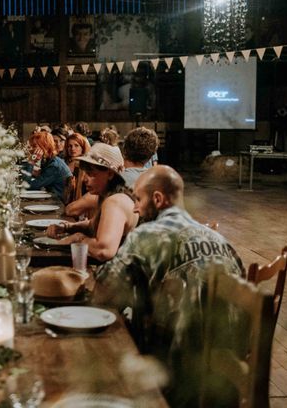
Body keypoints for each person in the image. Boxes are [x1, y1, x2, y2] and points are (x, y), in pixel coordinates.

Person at [92, 165, 244, 407]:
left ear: (158, 199)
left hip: (168, 371)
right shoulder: (220, 240)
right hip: (224, 374)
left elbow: (104, 291)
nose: (135, 208)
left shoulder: (145, 235)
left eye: (139, 199)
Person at [45, 143, 138, 262]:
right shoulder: (109, 196)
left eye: (91, 174)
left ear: (110, 174)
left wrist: (79, 238)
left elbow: (104, 250)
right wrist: (67, 227)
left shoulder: (115, 202)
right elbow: (93, 224)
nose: (84, 179)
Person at [22, 131, 72, 199]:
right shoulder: (50, 160)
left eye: (34, 146)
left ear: (44, 147)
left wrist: (31, 162)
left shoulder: (54, 166)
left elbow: (27, 186)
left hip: (58, 202)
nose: (31, 149)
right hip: (52, 197)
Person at [62, 133, 91, 205]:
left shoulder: (84, 164)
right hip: (64, 199)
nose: (72, 149)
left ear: (82, 147)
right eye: (70, 146)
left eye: (76, 145)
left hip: (79, 202)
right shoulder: (65, 162)